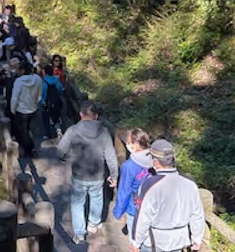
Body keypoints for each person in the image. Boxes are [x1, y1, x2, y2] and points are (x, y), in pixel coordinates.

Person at [56, 100, 119, 245]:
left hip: (79, 173)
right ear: (96, 116)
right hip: (98, 174)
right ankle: (93, 224)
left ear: (80, 114)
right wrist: (114, 176)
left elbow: (60, 151)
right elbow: (111, 157)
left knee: (77, 203)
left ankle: (79, 234)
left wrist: (67, 158)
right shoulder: (104, 132)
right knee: (97, 198)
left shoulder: (73, 130)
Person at [131, 140, 205, 252]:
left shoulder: (151, 185)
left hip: (155, 242)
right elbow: (197, 214)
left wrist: (136, 241)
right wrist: (197, 238)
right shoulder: (190, 183)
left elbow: (142, 217)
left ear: (155, 162)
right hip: (179, 241)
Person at [114, 128, 153, 239]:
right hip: (152, 206)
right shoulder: (155, 160)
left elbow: (124, 191)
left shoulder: (128, 166)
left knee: (135, 239)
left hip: (134, 207)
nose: (127, 145)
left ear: (135, 144)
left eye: (128, 142)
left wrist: (119, 211)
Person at [9, 62, 42, 157]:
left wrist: (12, 109)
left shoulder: (19, 81)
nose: (17, 71)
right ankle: (30, 148)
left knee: (23, 131)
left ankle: (29, 150)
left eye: (18, 69)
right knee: (27, 129)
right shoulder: (37, 78)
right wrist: (35, 103)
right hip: (32, 108)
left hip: (21, 110)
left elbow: (15, 97)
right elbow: (39, 94)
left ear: (22, 71)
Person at [40, 66, 63, 140]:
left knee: (46, 119)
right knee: (56, 117)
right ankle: (58, 131)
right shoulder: (57, 81)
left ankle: (48, 134)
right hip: (56, 102)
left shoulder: (44, 83)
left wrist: (42, 103)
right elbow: (60, 91)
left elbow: (42, 95)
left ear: (44, 72)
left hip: (47, 104)